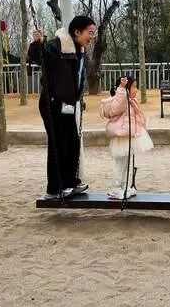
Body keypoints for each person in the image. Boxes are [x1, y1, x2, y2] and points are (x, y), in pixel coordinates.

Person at [27, 16, 96, 200]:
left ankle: (70, 181)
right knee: (58, 144)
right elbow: (37, 56)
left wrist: (77, 97)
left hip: (67, 104)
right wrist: (37, 43)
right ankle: (54, 188)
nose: (92, 37)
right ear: (77, 32)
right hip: (52, 102)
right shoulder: (56, 46)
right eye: (90, 33)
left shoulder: (78, 51)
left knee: (72, 142)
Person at [99, 76, 154, 199]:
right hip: (121, 137)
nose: (136, 89)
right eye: (134, 86)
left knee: (126, 164)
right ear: (126, 88)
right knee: (120, 164)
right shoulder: (120, 100)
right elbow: (115, 108)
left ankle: (124, 186)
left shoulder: (131, 101)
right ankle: (115, 188)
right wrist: (121, 89)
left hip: (128, 136)